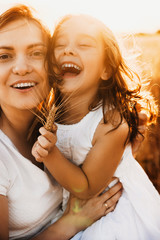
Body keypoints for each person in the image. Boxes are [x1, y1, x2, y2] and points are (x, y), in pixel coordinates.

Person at [0, 6, 124, 240]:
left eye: (36, 53)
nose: (22, 67)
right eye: (4, 56)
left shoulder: (61, 121)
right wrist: (72, 222)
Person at [32, 14, 160, 240]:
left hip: (113, 213)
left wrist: (50, 154)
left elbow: (88, 186)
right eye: (60, 44)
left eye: (83, 45)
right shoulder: (47, 109)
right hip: (74, 210)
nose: (68, 50)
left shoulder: (110, 123)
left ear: (106, 70)